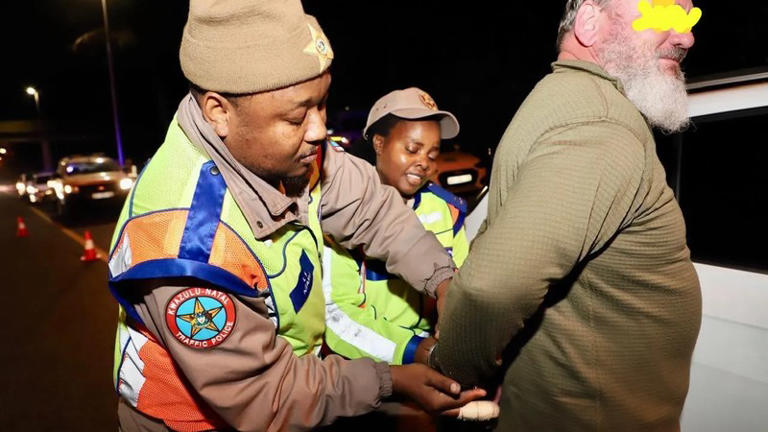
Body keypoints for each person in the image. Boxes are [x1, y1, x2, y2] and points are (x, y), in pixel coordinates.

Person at [107, 1, 484, 431]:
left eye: (322, 104)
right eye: (295, 116)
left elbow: (374, 209)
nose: (319, 129)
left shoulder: (281, 150)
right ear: (218, 113)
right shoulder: (187, 246)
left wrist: (444, 281)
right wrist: (390, 380)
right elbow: (265, 397)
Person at [430, 0, 702, 430]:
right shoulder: (600, 124)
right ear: (590, 22)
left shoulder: (565, 98)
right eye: (663, 11)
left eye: (688, 18)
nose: (685, 36)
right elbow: (491, 288)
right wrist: (458, 374)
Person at [323, 87, 468, 366]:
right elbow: (337, 314)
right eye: (412, 149)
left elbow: (462, 288)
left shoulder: (448, 211)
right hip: (368, 367)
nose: (423, 162)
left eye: (432, 154)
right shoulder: (342, 213)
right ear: (379, 144)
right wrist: (416, 351)